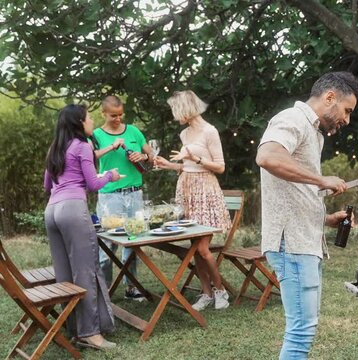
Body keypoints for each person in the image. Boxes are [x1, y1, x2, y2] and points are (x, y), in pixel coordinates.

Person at [256, 71, 358, 360]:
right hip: (291, 245)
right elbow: (267, 157)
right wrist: (321, 180)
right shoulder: (291, 119)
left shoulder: (311, 130)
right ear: (330, 97)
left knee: (305, 327)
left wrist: (326, 219)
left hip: (304, 240)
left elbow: (291, 190)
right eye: (347, 110)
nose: (347, 119)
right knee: (301, 330)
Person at [44, 104, 121, 350]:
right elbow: (93, 184)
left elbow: (48, 185)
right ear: (79, 122)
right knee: (86, 271)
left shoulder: (55, 148)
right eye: (89, 118)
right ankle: (91, 333)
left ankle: (73, 329)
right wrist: (110, 175)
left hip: (52, 211)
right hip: (73, 210)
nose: (91, 122)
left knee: (65, 273)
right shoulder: (83, 146)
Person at [154, 90, 231, 311]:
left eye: (175, 110)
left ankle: (220, 290)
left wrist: (195, 157)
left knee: (204, 249)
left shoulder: (210, 132)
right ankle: (206, 293)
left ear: (185, 109)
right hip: (187, 189)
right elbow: (187, 166)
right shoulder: (184, 135)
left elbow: (220, 166)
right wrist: (169, 165)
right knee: (194, 247)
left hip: (205, 190)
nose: (174, 115)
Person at [92, 95, 154, 302]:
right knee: (107, 243)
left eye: (120, 115)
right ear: (103, 114)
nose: (118, 119)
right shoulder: (96, 134)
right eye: (113, 116)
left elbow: (151, 155)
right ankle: (104, 290)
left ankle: (131, 287)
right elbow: (91, 157)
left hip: (134, 193)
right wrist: (112, 146)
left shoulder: (134, 131)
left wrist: (143, 157)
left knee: (133, 239)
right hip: (110, 195)